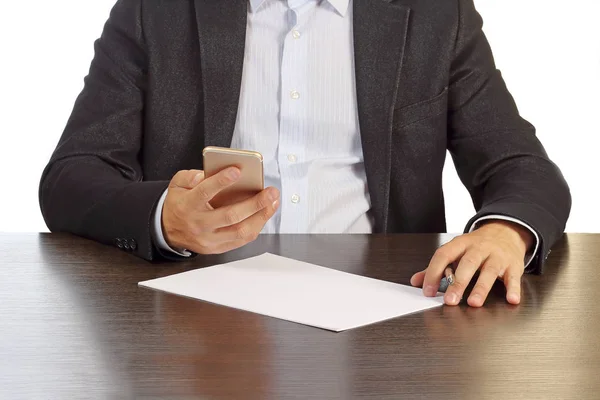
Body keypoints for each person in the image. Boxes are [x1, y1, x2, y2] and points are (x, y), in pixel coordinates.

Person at [39, 0, 571, 308]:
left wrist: (505, 231)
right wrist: (164, 217)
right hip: (198, 315)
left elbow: (519, 165)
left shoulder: (435, 13)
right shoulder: (156, 11)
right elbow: (71, 175)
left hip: (387, 314)